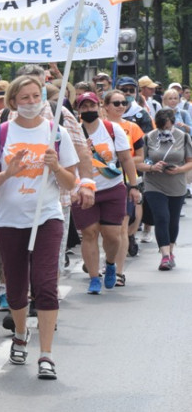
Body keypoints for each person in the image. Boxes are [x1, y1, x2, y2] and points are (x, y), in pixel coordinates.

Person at [0, 76, 78, 380]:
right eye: (24, 97)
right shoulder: (1, 134)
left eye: (36, 96)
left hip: (47, 217)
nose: (31, 102)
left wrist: (56, 166)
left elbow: (71, 183)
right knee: (16, 286)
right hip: (10, 220)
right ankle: (21, 334)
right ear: (13, 102)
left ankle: (46, 355)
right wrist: (9, 172)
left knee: (46, 285)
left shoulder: (55, 134)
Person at [72, 92, 140, 294]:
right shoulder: (73, 132)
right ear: (78, 110)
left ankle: (110, 264)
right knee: (89, 233)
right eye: (83, 107)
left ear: (99, 106)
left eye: (91, 106)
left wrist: (134, 186)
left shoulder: (112, 129)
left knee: (112, 235)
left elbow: (126, 159)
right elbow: (68, 162)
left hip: (112, 188)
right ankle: (94, 277)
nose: (88, 110)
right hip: (85, 190)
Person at [137, 109, 192, 270]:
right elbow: (138, 162)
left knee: (173, 220)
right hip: (154, 183)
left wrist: (179, 170)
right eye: (161, 127)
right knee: (162, 217)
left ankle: (171, 249)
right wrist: (151, 167)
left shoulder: (183, 137)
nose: (165, 131)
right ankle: (165, 255)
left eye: (167, 127)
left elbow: (190, 161)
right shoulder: (148, 137)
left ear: (173, 123)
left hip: (176, 184)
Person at [103, 89, 146, 274]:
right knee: (101, 231)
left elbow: (139, 157)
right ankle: (104, 262)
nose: (121, 106)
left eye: (124, 102)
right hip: (99, 182)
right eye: (116, 103)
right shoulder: (95, 126)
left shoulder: (133, 128)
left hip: (124, 181)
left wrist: (119, 161)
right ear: (106, 106)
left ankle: (119, 272)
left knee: (121, 227)